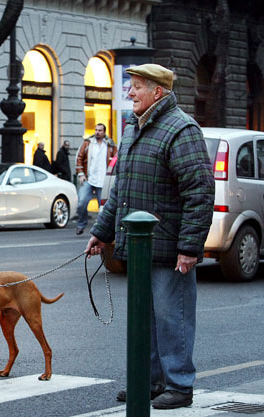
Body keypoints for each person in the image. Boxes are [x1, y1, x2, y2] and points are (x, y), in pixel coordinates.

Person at [84, 63, 215, 410]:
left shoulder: (182, 129)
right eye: (130, 86)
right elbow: (122, 192)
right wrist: (101, 232)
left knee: (173, 318)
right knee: (146, 319)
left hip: (170, 248)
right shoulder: (132, 129)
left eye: (136, 86)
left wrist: (189, 248)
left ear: (157, 92)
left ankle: (179, 385)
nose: (129, 93)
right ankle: (151, 381)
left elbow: (199, 193)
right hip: (139, 248)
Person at [74, 123, 117, 234]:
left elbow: (116, 160)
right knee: (81, 203)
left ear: (104, 132)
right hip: (89, 179)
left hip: (103, 181)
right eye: (96, 129)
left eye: (100, 130)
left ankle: (100, 230)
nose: (97, 132)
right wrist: (81, 174)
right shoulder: (88, 143)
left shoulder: (110, 145)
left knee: (103, 208)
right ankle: (81, 224)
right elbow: (79, 157)